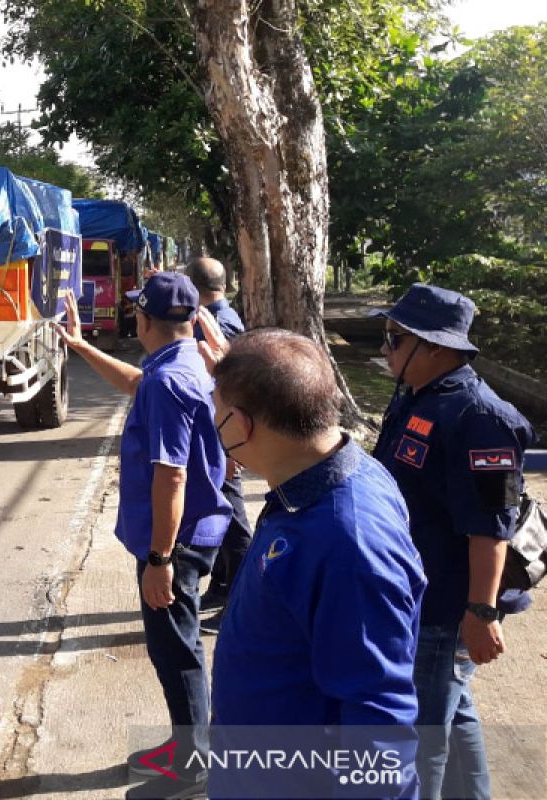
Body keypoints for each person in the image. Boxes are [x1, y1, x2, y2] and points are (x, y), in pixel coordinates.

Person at [195, 322, 425, 798]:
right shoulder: (327, 473)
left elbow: (379, 728)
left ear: (241, 426)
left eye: (215, 409)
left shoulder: (346, 542)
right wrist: (240, 377)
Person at [57, 272, 231, 799]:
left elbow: (171, 475)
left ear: (145, 320)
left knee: (176, 651)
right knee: (177, 646)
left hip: (174, 541)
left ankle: (194, 768)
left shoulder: (167, 382)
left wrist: (160, 559)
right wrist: (82, 345)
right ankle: (188, 744)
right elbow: (136, 383)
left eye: (136, 309)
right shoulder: (186, 362)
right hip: (193, 530)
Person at [371, 283, 536, 799]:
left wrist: (481, 613)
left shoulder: (479, 418)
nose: (385, 348)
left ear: (436, 347)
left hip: (447, 605)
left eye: (395, 338)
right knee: (454, 712)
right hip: (417, 592)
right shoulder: (417, 396)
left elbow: (491, 526)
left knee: (422, 734)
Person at [184, 258, 251, 629]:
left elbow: (223, 391)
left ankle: (240, 603)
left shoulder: (217, 325)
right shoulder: (219, 317)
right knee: (223, 518)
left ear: (195, 288)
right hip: (219, 434)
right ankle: (224, 586)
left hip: (222, 437)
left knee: (235, 524)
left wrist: (228, 448)